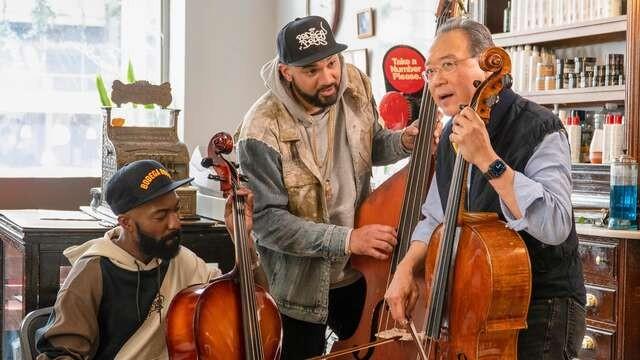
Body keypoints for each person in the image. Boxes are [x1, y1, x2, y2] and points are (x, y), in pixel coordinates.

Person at [384, 17, 586, 359]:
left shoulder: (540, 125)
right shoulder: (451, 135)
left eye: (448, 64)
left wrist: (489, 160)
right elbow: (436, 214)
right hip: (476, 309)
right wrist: (406, 267)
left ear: (488, 61)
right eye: (430, 71)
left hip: (541, 310)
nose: (436, 80)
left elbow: (554, 225)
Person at [236, 15, 418, 359]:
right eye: (312, 71)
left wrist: (404, 142)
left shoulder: (356, 86)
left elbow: (372, 144)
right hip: (299, 288)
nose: (329, 78)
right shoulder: (260, 130)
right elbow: (269, 224)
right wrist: (347, 239)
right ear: (286, 71)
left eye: (331, 63)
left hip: (362, 271)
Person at [35, 159, 260, 359]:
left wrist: (242, 237)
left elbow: (244, 301)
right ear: (126, 223)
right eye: (161, 216)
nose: (175, 223)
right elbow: (61, 354)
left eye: (176, 210)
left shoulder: (182, 260)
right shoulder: (92, 272)